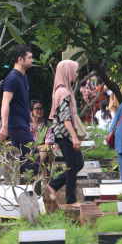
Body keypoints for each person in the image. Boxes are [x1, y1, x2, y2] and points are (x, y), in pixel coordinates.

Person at [46, 60, 85, 207]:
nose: (76, 75)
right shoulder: (63, 91)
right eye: (74, 71)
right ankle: (71, 200)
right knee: (73, 164)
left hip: (64, 133)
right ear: (67, 71)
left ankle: (54, 185)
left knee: (78, 163)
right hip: (64, 134)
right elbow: (65, 118)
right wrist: (74, 137)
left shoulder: (62, 89)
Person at [0, 45, 36, 173]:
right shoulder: (13, 78)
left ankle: (23, 188)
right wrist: (4, 127)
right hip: (16, 125)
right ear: (20, 59)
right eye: (29, 58)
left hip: (23, 124)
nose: (32, 60)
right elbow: (5, 102)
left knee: (24, 161)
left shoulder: (23, 77)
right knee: (32, 159)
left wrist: (31, 120)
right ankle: (29, 190)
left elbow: (23, 102)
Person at [30, 100, 50, 173]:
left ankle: (35, 166)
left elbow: (48, 144)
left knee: (45, 148)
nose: (39, 111)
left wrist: (35, 148)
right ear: (32, 111)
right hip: (28, 151)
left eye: (41, 109)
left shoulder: (48, 125)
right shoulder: (26, 125)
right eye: (37, 108)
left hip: (43, 152)